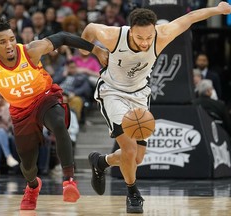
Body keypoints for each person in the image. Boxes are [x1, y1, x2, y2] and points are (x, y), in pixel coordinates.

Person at [80, 2, 231, 214]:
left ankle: (101, 162)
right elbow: (89, 29)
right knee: (130, 150)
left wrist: (217, 10)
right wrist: (91, 50)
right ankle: (133, 193)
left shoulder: (162, 34)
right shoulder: (113, 35)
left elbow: (191, 17)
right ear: (130, 31)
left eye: (149, 37)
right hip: (112, 93)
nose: (145, 42)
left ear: (154, 31)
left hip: (139, 94)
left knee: (137, 157)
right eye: (140, 37)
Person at [0, 18, 108, 210]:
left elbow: (62, 37)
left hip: (44, 98)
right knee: (28, 166)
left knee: (58, 123)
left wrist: (96, 50)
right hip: (21, 110)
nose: (9, 45)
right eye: (2, 42)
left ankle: (69, 181)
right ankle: (32, 186)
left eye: (11, 39)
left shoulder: (31, 50)